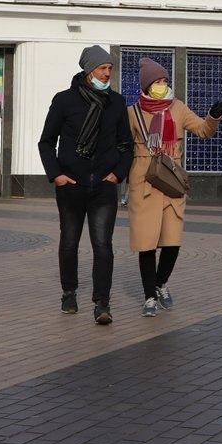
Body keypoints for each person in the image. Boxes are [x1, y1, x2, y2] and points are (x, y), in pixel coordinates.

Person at [128, 57, 222, 317]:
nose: (162, 85)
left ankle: (161, 283)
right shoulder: (132, 113)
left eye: (165, 81)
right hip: (144, 181)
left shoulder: (177, 107)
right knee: (146, 243)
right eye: (157, 82)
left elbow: (202, 130)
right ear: (147, 85)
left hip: (172, 181)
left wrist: (214, 115)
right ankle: (149, 297)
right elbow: (121, 145)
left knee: (172, 242)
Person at [38, 46, 135, 325]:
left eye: (110, 68)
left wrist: (118, 173)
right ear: (88, 70)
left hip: (104, 187)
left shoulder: (116, 102)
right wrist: (56, 174)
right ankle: (69, 292)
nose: (107, 73)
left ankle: (102, 303)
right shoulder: (64, 100)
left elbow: (125, 145)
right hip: (70, 186)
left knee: (103, 245)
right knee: (69, 242)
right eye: (103, 68)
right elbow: (46, 142)